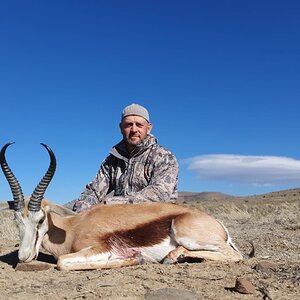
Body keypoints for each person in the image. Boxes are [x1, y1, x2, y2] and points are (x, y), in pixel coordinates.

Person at [73, 103, 178, 212]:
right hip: (119, 220)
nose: (134, 130)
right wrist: (82, 208)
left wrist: (109, 204)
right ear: (121, 128)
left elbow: (159, 194)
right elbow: (94, 191)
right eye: (128, 125)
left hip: (156, 220)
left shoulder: (164, 157)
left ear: (149, 128)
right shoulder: (112, 160)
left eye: (139, 125)